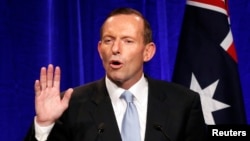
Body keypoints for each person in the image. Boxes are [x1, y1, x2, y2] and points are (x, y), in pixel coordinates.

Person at [24, 7, 208, 141]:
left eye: (128, 41)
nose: (116, 49)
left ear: (148, 52)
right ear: (99, 49)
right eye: (108, 40)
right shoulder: (69, 106)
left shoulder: (183, 103)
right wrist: (44, 125)